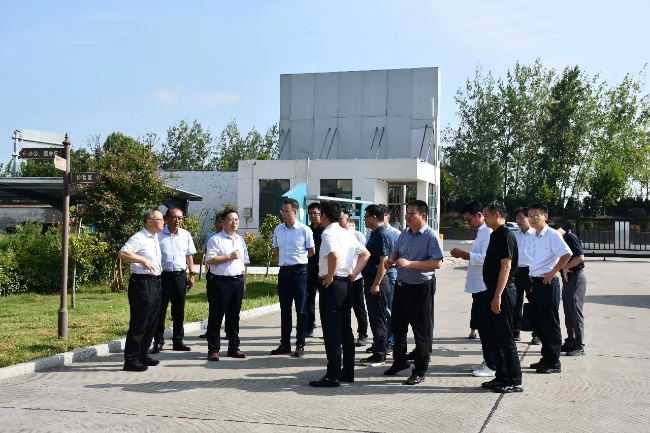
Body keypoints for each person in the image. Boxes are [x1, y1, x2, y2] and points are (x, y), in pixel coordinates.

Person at [308, 200, 369, 387]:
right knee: (345, 330)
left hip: (332, 285)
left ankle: (332, 375)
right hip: (346, 283)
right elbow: (365, 254)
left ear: (324, 216)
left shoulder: (328, 233)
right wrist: (354, 274)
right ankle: (347, 372)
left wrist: (330, 275)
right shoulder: (346, 233)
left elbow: (333, 256)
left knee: (331, 330)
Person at [384, 200, 443, 386]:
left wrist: (410, 264)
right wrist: (391, 259)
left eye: (412, 213)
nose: (407, 216)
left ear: (423, 216)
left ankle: (420, 370)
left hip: (420, 287)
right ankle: (399, 361)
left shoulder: (431, 236)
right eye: (407, 213)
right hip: (402, 286)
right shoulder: (404, 233)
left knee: (421, 331)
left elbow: (437, 263)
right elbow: (396, 251)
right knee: (398, 327)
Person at [480, 201, 523, 393]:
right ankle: (502, 376)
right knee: (495, 337)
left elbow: (506, 267)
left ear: (497, 215)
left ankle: (514, 380)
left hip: (503, 291)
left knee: (505, 338)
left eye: (487, 216)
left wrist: (497, 295)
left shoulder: (505, 236)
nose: (484, 219)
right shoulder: (495, 234)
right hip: (493, 290)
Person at [450, 200, 496, 378]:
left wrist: (466, 255)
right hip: (478, 286)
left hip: (485, 286)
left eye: (469, 219)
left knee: (487, 328)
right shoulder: (481, 232)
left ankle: (492, 364)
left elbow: (487, 258)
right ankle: (488, 359)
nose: (467, 223)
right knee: (482, 326)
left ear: (479, 215)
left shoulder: (489, 232)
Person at [527, 203, 572, 374]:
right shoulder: (535, 235)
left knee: (550, 323)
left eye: (535, 216)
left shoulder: (552, 234)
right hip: (537, 282)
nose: (532, 219)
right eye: (530, 216)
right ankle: (546, 358)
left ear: (545, 216)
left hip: (548, 283)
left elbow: (567, 254)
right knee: (541, 323)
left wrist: (553, 272)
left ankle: (554, 362)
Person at [118, 209, 165, 372]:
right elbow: (123, 253)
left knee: (152, 321)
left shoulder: (155, 237)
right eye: (160, 219)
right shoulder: (139, 237)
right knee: (140, 322)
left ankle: (143, 354)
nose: (163, 222)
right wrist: (142, 260)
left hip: (155, 282)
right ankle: (131, 359)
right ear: (149, 221)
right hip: (142, 283)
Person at [271, 198, 315, 358]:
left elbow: (311, 251)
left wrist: (298, 261)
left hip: (300, 272)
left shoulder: (304, 230)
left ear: (295, 212)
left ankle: (300, 344)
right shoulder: (278, 230)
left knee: (301, 310)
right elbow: (277, 249)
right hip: (284, 272)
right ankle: (285, 344)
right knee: (285, 310)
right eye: (282, 211)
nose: (283, 214)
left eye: (287, 211)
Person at [204, 210, 250, 361]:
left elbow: (244, 262)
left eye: (236, 219)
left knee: (234, 316)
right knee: (216, 316)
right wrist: (229, 256)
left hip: (237, 281)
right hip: (220, 282)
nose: (234, 222)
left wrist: (244, 282)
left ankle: (234, 347)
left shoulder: (240, 240)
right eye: (231, 219)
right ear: (223, 222)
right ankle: (213, 349)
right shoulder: (215, 239)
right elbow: (210, 259)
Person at [151, 207, 196, 353]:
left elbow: (189, 256)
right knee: (160, 310)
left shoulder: (185, 235)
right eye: (174, 217)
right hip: (162, 277)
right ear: (166, 219)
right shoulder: (158, 235)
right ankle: (158, 341)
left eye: (180, 218)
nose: (177, 221)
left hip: (180, 276)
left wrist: (192, 274)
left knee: (179, 310)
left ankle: (178, 340)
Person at [359, 204, 392, 367]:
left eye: (366, 217)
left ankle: (380, 355)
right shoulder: (374, 233)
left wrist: (377, 283)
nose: (364, 220)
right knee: (374, 318)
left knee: (379, 318)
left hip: (377, 281)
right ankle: (377, 350)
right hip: (371, 279)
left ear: (374, 217)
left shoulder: (382, 235)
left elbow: (384, 262)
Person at [339, 209, 369, 347]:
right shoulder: (336, 236)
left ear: (348, 220)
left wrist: (356, 273)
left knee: (359, 306)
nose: (339, 221)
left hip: (355, 276)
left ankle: (362, 333)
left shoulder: (358, 235)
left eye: (341, 218)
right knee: (342, 307)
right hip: (341, 277)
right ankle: (344, 334)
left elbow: (365, 255)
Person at [556, 227, 587, 356]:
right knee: (568, 310)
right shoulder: (561, 239)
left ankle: (579, 345)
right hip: (568, 278)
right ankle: (570, 341)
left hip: (575, 277)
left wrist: (565, 267)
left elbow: (580, 257)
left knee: (575, 310)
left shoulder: (570, 237)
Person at [513, 207, 538, 344]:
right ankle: (515, 331)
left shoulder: (536, 235)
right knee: (515, 303)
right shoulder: (515, 235)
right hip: (516, 272)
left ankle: (537, 333)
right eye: (517, 218)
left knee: (534, 302)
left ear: (528, 218)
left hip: (531, 272)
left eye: (521, 218)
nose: (519, 221)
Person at [199, 213, 224, 339]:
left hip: (226, 276)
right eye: (219, 222)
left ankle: (229, 332)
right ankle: (211, 331)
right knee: (213, 304)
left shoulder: (232, 238)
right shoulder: (211, 237)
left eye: (223, 222)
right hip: (212, 275)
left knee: (228, 306)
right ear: (215, 224)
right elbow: (206, 254)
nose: (221, 225)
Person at [307, 202, 324, 338]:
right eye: (311, 213)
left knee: (324, 300)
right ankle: (309, 325)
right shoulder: (307, 230)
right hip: (309, 268)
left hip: (323, 269)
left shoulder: (325, 230)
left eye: (316, 213)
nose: (313, 216)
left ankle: (326, 327)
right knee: (309, 298)